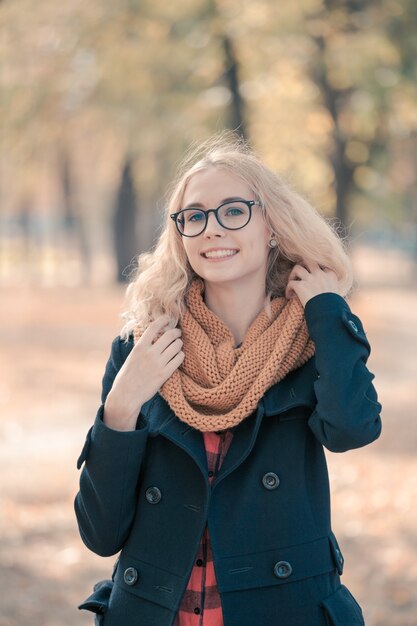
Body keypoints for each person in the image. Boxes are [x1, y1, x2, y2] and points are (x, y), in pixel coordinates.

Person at [74, 131, 382, 626]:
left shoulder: (311, 339)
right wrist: (122, 405)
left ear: (272, 226)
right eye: (194, 217)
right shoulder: (145, 347)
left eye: (233, 211)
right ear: (180, 236)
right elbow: (101, 533)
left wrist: (327, 312)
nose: (212, 229)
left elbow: (352, 429)